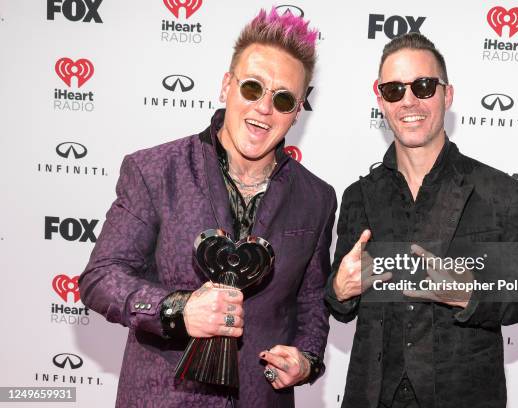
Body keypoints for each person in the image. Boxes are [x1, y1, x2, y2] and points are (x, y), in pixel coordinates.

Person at [79, 8, 336, 408]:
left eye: (283, 98)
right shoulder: (155, 171)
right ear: (226, 87)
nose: (264, 108)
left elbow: (311, 303)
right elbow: (100, 278)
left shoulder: (317, 198)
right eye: (252, 88)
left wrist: (306, 359)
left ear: (297, 111)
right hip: (163, 398)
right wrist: (177, 309)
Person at [325, 33, 518, 408]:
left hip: (464, 396)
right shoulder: (358, 196)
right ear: (380, 99)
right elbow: (338, 302)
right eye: (394, 89)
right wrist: (340, 288)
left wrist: (468, 293)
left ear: (447, 95)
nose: (409, 100)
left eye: (424, 86)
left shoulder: (499, 192)